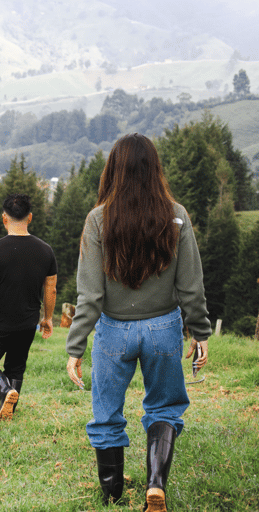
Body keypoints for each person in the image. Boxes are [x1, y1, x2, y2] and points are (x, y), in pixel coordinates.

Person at [64, 133, 211, 510]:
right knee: (164, 407)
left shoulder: (98, 219)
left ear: (113, 169)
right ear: (154, 169)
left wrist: (75, 346)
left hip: (113, 330)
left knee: (106, 412)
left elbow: (91, 295)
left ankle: (112, 494)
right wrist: (200, 331)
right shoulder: (176, 215)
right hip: (164, 326)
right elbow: (190, 284)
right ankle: (155, 485)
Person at [0, 193, 57, 420]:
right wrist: (47, 318)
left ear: (4, 219)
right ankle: (9, 407)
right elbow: (51, 289)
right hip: (27, 321)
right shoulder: (45, 250)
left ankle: (4, 391)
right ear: (29, 218)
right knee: (16, 367)